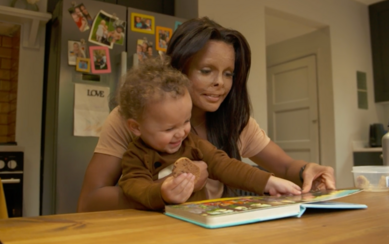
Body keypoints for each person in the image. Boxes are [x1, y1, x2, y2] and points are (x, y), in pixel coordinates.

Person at [77, 17, 335, 212]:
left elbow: (283, 166)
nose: (220, 83)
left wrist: (306, 170)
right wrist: (172, 187)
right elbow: (89, 201)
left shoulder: (235, 122)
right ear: (178, 70)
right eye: (206, 70)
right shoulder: (130, 118)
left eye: (228, 73)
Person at [117, 60, 301, 210]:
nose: (181, 133)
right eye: (169, 129)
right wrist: (162, 192)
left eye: (186, 121)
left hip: (197, 227)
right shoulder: (135, 155)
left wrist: (268, 182)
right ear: (136, 127)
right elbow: (134, 186)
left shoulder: (193, 144)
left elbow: (225, 165)